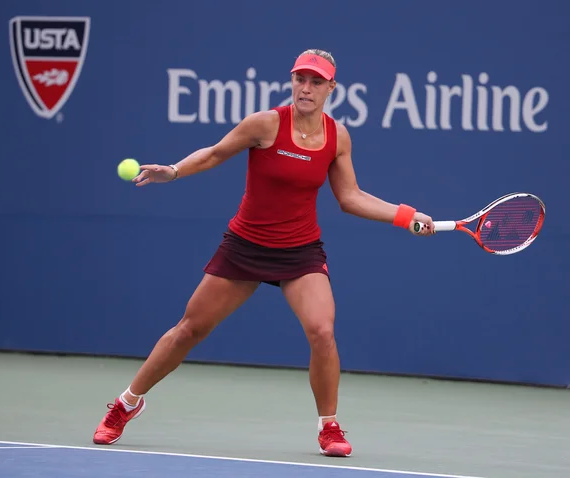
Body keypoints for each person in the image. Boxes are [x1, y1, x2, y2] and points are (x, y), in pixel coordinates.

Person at [93, 49, 435, 457]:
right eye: (300, 79)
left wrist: (405, 215)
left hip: (300, 251)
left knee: (322, 331)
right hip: (246, 245)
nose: (306, 88)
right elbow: (216, 153)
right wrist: (175, 169)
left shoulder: (337, 137)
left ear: (331, 88)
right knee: (189, 330)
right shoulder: (266, 124)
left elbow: (350, 197)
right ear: (292, 81)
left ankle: (329, 427)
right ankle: (127, 404)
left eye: (316, 81)